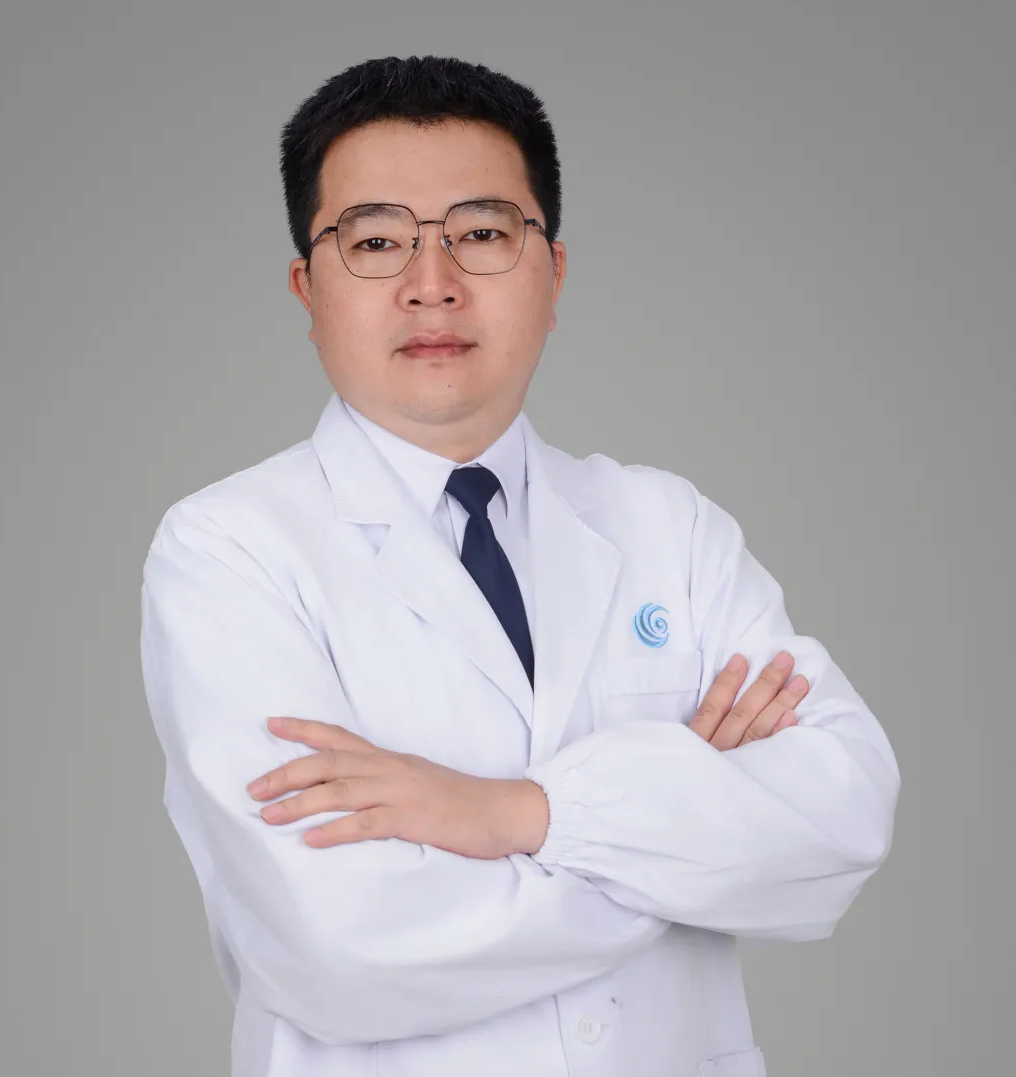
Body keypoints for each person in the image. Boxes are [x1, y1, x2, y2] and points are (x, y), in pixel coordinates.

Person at [139, 54, 900, 1077]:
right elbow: (343, 948)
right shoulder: (229, 550)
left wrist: (514, 814)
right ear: (306, 287)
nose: (432, 284)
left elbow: (843, 817)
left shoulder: (668, 526)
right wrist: (687, 843)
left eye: (483, 233)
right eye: (376, 241)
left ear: (554, 274)